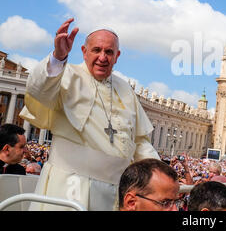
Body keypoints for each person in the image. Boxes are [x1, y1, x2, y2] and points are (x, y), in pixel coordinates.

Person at [19, 18, 160, 210]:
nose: (103, 57)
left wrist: (160, 172)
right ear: (84, 52)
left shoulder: (125, 89)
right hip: (68, 186)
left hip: (114, 192)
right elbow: (39, 91)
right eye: (97, 50)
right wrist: (58, 56)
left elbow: (140, 141)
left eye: (109, 52)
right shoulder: (66, 74)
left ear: (117, 56)